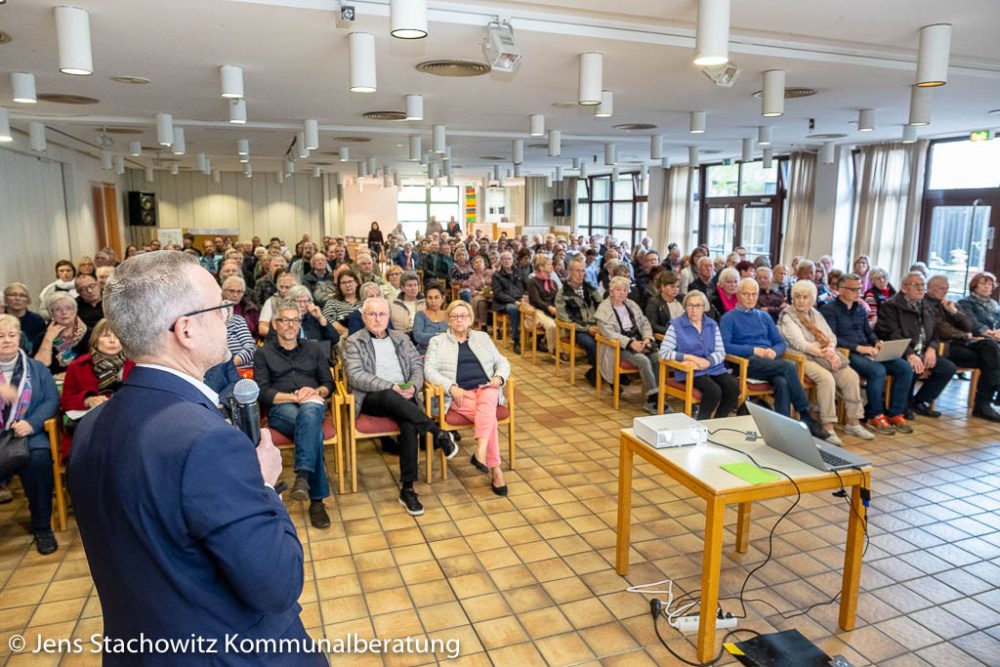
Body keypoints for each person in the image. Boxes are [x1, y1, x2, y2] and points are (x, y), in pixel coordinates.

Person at [68, 252, 323, 662]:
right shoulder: (208, 442)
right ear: (185, 329)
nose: (230, 318)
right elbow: (277, 583)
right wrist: (262, 486)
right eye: (221, 307)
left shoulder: (92, 425)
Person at [344, 297, 459, 516]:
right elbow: (356, 376)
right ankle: (437, 433)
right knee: (390, 396)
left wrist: (414, 388)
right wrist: (393, 387)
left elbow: (417, 364)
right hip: (373, 398)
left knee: (409, 422)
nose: (377, 319)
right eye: (372, 314)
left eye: (382, 314)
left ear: (388, 316)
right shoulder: (354, 341)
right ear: (363, 317)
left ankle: (408, 489)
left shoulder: (400, 338)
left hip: (405, 395)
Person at [255, 301, 336, 529]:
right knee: (314, 434)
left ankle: (303, 477)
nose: (290, 325)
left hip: (313, 401)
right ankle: (316, 500)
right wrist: (293, 397)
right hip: (282, 408)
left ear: (300, 324)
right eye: (285, 320)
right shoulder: (263, 353)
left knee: (311, 410)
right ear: (275, 324)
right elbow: (263, 392)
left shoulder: (313, 348)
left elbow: (329, 383)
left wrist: (315, 391)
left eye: (295, 320)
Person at [720, 278, 831, 439]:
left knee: (782, 380)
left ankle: (782, 429)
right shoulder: (729, 318)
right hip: (746, 362)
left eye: (754, 294)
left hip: (770, 362)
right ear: (738, 294)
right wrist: (754, 349)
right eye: (746, 294)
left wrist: (773, 351)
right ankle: (805, 415)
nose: (750, 298)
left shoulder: (763, 316)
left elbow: (780, 342)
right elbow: (725, 346)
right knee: (787, 367)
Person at [425, 300, 510, 495]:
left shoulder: (482, 337)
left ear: (470, 319)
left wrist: (499, 377)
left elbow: (502, 361)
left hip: (486, 388)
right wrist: (451, 387)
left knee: (488, 395)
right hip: (460, 395)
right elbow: (429, 370)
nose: (458, 320)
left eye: (463, 316)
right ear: (448, 320)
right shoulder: (437, 342)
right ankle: (495, 470)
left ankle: (482, 452)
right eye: (454, 316)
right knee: (490, 419)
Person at [778, 281, 872, 443]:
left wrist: (830, 349)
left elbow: (831, 336)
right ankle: (827, 426)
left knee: (851, 377)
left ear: (813, 300)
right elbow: (800, 344)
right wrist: (827, 353)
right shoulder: (788, 316)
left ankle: (853, 422)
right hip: (800, 357)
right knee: (826, 378)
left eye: (805, 297)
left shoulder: (815, 313)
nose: (800, 301)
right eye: (797, 297)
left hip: (823, 354)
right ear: (792, 298)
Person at [821, 272, 914, 435]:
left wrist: (877, 342)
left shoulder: (860, 308)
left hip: (868, 349)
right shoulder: (829, 310)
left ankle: (895, 413)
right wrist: (859, 348)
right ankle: (874, 415)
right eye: (854, 289)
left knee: (904, 368)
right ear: (841, 290)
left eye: (860, 288)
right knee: (878, 371)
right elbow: (833, 339)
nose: (859, 292)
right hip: (848, 352)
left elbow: (868, 332)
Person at [0, 314, 60, 554]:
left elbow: (50, 400)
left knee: (38, 460)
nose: (6, 340)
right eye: (0, 336)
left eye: (11, 335)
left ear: (19, 338)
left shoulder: (36, 368)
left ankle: (42, 526)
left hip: (27, 434)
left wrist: (32, 423)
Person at [875, 272, 956, 419]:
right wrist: (910, 353)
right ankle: (901, 406)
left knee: (948, 368)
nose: (920, 289)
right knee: (912, 366)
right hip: (900, 350)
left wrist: (932, 348)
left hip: (923, 350)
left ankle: (919, 401)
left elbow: (936, 332)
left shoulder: (927, 306)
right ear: (904, 288)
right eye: (915, 285)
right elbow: (892, 334)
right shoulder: (891, 306)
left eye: (922, 285)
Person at [59, 318, 135, 459]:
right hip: (89, 429)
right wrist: (87, 400)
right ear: (95, 339)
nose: (113, 341)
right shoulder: (77, 366)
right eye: (106, 336)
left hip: (126, 427)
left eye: (117, 336)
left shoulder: (136, 365)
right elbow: (66, 401)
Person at [928, 275, 1000, 421]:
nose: (945, 292)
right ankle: (984, 403)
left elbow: (967, 325)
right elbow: (947, 330)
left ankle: (984, 404)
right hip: (952, 346)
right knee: (991, 354)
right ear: (930, 288)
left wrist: (954, 312)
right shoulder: (962, 303)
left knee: (990, 353)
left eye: (947, 289)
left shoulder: (993, 305)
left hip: (973, 344)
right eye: (941, 288)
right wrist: (965, 335)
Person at [658, 291, 739, 420]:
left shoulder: (712, 325)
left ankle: (718, 421)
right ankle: (701, 424)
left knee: (733, 387)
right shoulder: (676, 325)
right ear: (685, 307)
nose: (694, 310)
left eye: (698, 306)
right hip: (690, 370)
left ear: (704, 307)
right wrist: (689, 358)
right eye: (690, 305)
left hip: (713, 368)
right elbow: (663, 352)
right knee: (713, 391)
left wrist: (708, 362)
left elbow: (720, 351)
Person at [596, 276, 661, 415]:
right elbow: (608, 333)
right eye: (618, 290)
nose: (622, 293)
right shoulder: (603, 309)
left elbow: (644, 323)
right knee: (643, 361)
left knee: (657, 357)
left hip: (639, 341)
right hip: (619, 347)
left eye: (625, 290)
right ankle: (654, 397)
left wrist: (647, 338)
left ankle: (652, 397)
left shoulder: (631, 305)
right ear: (611, 291)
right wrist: (630, 343)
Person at [556, 256, 601, 385]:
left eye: (582, 271)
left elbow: (601, 306)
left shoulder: (590, 288)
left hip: (595, 326)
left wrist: (599, 324)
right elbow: (567, 319)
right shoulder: (563, 294)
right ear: (569, 272)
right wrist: (587, 328)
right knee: (591, 344)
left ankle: (597, 372)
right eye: (577, 271)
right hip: (577, 330)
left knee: (610, 341)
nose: (580, 274)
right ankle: (601, 374)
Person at [34, 292, 89, 376]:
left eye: (68, 308)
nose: (64, 312)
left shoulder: (88, 333)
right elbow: (39, 367)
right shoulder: (42, 337)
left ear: (75, 311)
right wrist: (48, 338)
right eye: (58, 309)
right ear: (51, 314)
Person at [526, 254, 560, 358]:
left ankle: (560, 347)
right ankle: (553, 350)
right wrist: (549, 308)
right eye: (549, 264)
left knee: (564, 324)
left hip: (552, 309)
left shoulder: (552, 282)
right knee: (552, 326)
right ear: (541, 267)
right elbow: (536, 300)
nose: (552, 266)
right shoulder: (533, 281)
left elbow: (558, 298)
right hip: (538, 309)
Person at [958, 271, 1000, 342]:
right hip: (977, 339)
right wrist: (992, 333)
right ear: (974, 286)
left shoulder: (994, 304)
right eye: (983, 284)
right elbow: (971, 323)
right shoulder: (965, 302)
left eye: (989, 284)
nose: (986, 286)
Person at [4, 283, 46, 353]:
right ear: (5, 299)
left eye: (22, 296)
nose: (17, 298)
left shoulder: (37, 320)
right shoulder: (1, 319)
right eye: (13, 295)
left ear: (28, 300)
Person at [321, 270, 363, 335]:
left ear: (356, 283)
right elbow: (329, 321)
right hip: (344, 338)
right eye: (343, 283)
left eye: (350, 281)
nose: (347, 285)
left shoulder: (365, 301)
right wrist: (350, 334)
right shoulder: (332, 303)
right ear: (339, 286)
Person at [644, 270, 683, 336]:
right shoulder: (654, 302)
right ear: (662, 287)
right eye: (672, 286)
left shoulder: (682, 298)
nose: (676, 289)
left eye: (678, 286)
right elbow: (653, 326)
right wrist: (673, 332)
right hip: (668, 336)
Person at [222, 275, 261, 340]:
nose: (235, 295)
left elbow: (257, 334)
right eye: (231, 291)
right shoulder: (216, 308)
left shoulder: (251, 309)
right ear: (223, 291)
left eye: (239, 292)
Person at [413, 284, 449, 354]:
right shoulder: (420, 315)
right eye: (430, 298)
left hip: (446, 352)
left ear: (443, 299)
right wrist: (440, 335)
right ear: (426, 299)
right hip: (425, 353)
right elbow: (418, 336)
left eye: (436, 297)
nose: (433, 301)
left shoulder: (449, 315)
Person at [466, 256, 494, 329]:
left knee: (481, 300)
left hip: (492, 294)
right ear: (473, 266)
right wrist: (479, 293)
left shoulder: (490, 273)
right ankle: (483, 325)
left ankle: (496, 326)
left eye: (480, 262)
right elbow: (472, 290)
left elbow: (495, 284)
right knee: (481, 302)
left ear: (484, 264)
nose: (478, 264)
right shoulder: (472, 277)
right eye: (476, 262)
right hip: (480, 295)